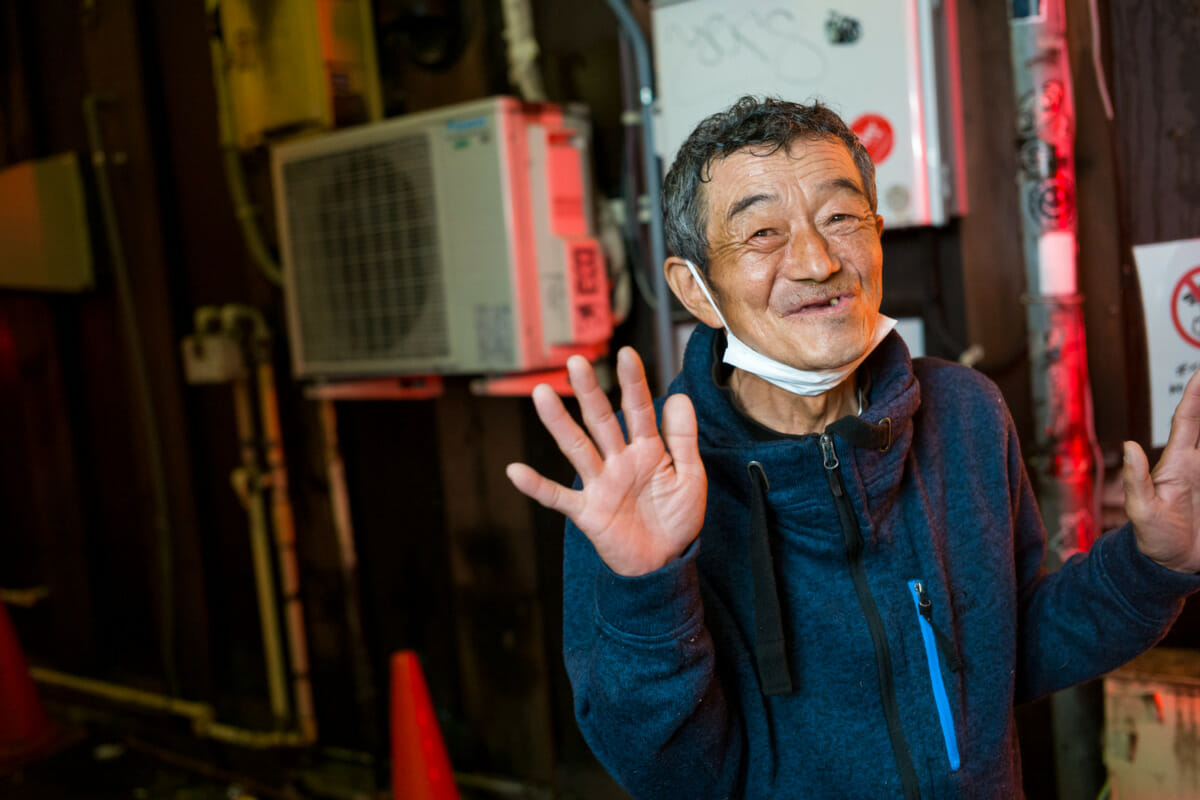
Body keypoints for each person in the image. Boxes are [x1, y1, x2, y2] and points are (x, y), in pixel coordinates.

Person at [505, 96, 1200, 799]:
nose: (815, 261)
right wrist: (647, 592)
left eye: (840, 218)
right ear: (696, 288)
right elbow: (673, 776)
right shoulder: (645, 483)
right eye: (763, 233)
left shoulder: (964, 412)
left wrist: (1154, 566)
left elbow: (1008, 653)